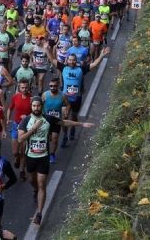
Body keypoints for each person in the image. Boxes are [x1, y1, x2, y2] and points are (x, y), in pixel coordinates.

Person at [18, 96, 95, 225]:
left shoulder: (48, 119)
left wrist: (81, 124)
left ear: (42, 106)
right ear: (31, 107)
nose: (36, 108)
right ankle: (35, 190)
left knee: (42, 184)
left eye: (38, 106)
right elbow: (20, 139)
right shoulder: (26, 121)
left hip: (43, 157)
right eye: (34, 106)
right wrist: (33, 129)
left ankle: (39, 213)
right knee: (32, 180)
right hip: (30, 157)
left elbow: (64, 122)